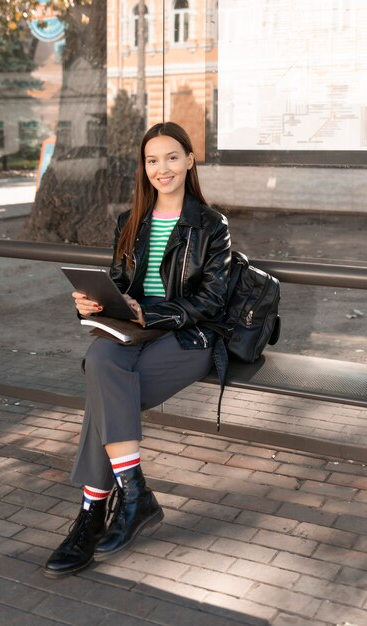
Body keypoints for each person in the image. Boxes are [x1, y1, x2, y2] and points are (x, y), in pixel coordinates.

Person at [44, 121, 231, 578]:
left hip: (190, 338)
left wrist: (152, 315)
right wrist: (94, 303)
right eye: (152, 160)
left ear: (190, 160)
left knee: (104, 385)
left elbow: (211, 302)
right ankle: (133, 493)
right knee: (103, 360)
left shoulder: (211, 225)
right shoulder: (131, 222)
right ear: (143, 167)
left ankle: (91, 513)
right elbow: (120, 286)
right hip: (133, 333)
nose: (161, 168)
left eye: (171, 157)